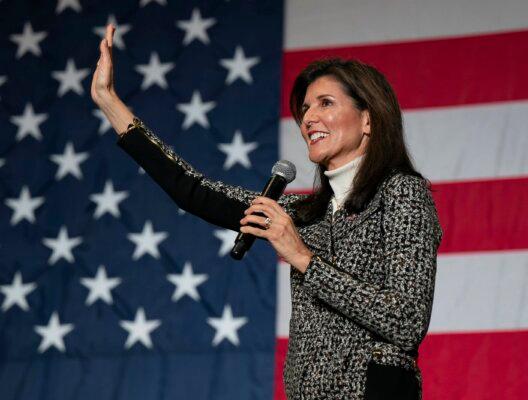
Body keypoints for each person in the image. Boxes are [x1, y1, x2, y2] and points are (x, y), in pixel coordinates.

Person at [91, 24, 443, 400]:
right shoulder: (304, 212)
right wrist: (109, 100)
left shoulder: (401, 192)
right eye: (305, 108)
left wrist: (305, 259)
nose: (308, 119)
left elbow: (406, 321)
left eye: (326, 103)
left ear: (368, 119)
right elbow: (192, 190)